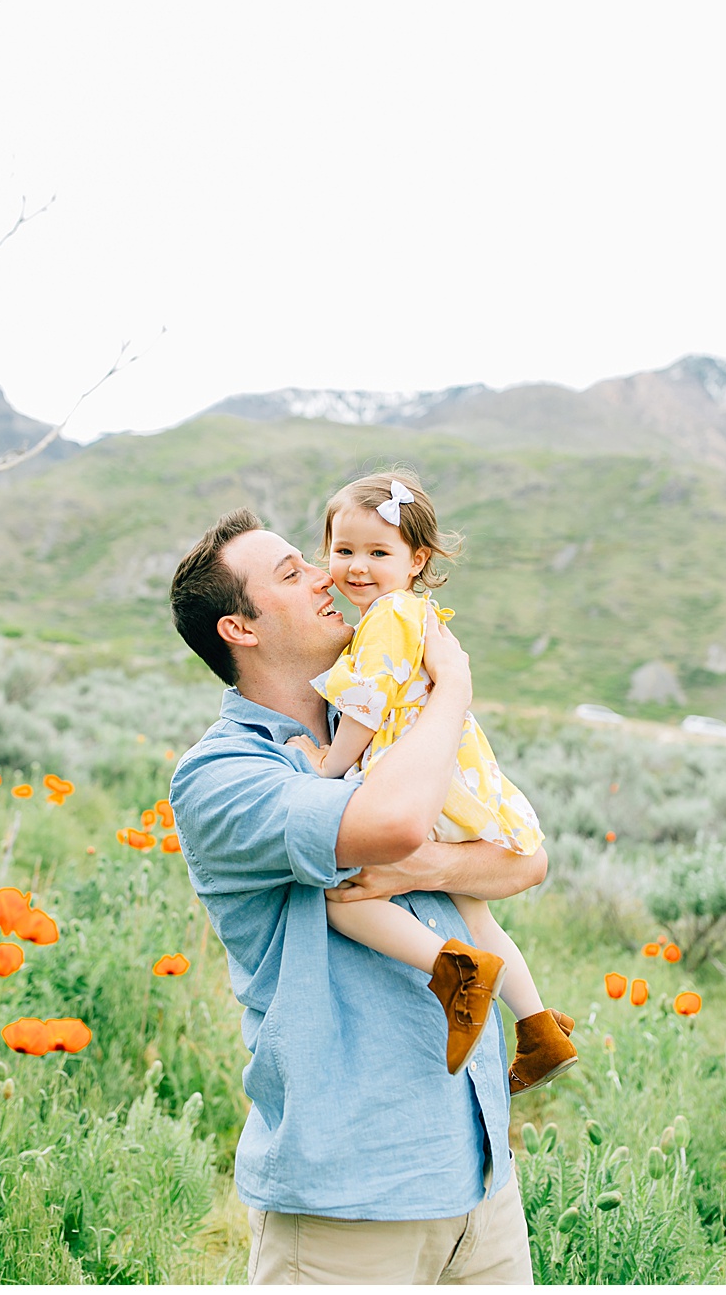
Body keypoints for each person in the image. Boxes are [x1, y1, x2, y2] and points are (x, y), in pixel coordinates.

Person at [169, 506, 542, 1283]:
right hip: (350, 1201)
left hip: (478, 1180)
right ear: (239, 629)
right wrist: (453, 691)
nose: (325, 574)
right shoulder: (224, 776)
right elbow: (400, 823)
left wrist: (424, 871)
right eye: (290, 573)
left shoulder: (372, 726)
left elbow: (523, 865)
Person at [290, 471, 576, 1094]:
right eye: (344, 551)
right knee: (474, 911)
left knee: (348, 902)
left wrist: (327, 764)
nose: (357, 567)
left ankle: (455, 970)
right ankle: (537, 1027)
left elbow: (367, 704)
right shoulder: (414, 611)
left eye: (378, 552)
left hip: (415, 776)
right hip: (451, 774)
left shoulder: (388, 617)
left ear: (417, 559)